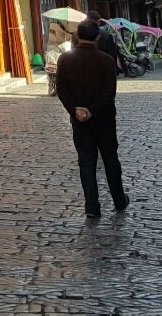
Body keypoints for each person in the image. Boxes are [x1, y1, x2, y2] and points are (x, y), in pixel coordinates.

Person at [55, 19, 129, 218]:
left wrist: (75, 110)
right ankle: (119, 199)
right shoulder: (106, 60)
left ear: (77, 36)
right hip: (104, 119)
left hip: (79, 122)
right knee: (110, 160)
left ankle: (92, 206)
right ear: (97, 37)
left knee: (86, 162)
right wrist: (92, 111)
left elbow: (61, 90)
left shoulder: (65, 59)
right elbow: (109, 93)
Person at [89, 11, 124, 76]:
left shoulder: (79, 34)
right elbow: (112, 54)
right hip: (102, 68)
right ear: (98, 21)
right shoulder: (106, 35)